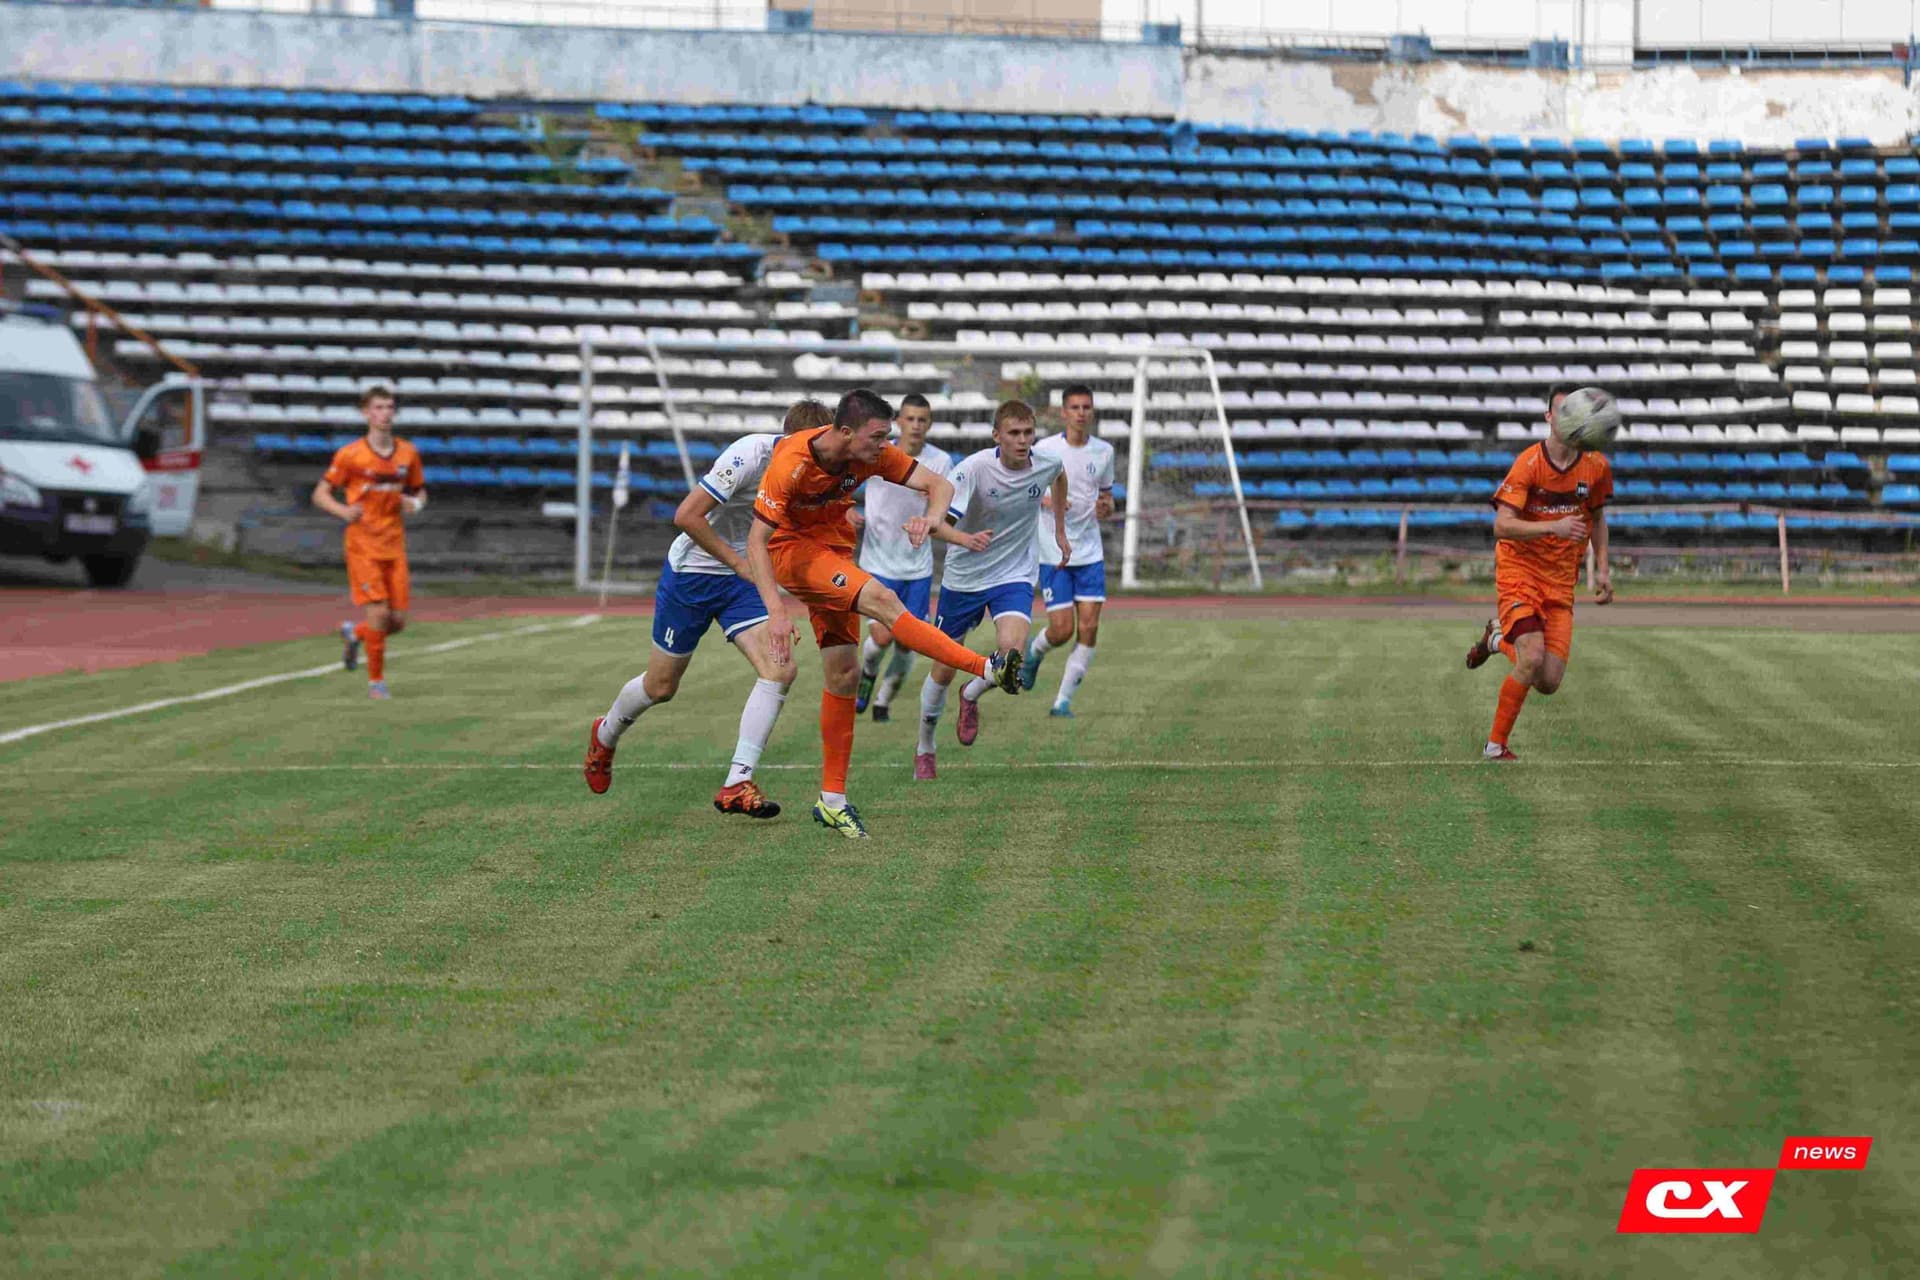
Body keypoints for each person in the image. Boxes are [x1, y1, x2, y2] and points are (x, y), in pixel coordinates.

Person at [746, 388, 1020, 839]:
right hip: (794, 554)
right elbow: (756, 541)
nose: (884, 444)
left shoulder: (871, 454)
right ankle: (987, 667)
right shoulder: (791, 461)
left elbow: (940, 485)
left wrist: (932, 519)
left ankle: (832, 801)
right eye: (878, 436)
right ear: (846, 431)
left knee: (844, 674)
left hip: (835, 551)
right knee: (884, 603)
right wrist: (776, 611)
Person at [581, 400, 831, 817]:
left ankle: (737, 782)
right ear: (795, 440)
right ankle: (605, 735)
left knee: (781, 668)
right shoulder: (750, 454)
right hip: (693, 574)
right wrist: (739, 564)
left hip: (742, 580)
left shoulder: (815, 474)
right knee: (661, 687)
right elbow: (687, 515)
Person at [915, 399, 1069, 781]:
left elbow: (1059, 477)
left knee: (1012, 657)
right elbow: (940, 523)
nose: (1022, 441)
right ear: (997, 435)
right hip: (964, 578)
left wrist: (1060, 530)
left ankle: (972, 694)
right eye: (1014, 434)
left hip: (1014, 574)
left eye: (1028, 433)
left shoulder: (1046, 463)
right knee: (942, 668)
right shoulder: (974, 469)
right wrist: (964, 539)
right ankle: (925, 747)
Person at [1465, 387, 1615, 760]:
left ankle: (1498, 640)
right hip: (1520, 571)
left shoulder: (1595, 467)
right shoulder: (1529, 463)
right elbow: (1502, 526)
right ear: (1549, 417)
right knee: (1531, 657)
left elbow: (1597, 518)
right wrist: (1553, 528)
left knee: (1547, 681)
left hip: (1561, 582)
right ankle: (1495, 747)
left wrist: (1604, 570)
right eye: (1562, 410)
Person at [312, 385, 426, 700]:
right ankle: (376, 682)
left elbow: (419, 491)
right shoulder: (350, 454)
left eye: (389, 407)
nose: (384, 413)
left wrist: (415, 505)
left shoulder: (408, 453)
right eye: (378, 407)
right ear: (366, 413)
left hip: (394, 544)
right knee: (378, 612)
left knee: (397, 621)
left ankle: (355, 633)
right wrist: (342, 510)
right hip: (363, 544)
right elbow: (320, 494)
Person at [853, 394, 952, 722]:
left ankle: (883, 700)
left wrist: (932, 512)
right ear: (899, 421)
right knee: (881, 636)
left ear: (930, 423)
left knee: (909, 642)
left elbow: (944, 503)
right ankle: (868, 673)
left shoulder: (939, 462)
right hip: (878, 562)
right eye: (910, 419)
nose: (916, 425)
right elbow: (844, 486)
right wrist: (846, 512)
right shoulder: (878, 452)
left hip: (916, 565)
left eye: (922, 420)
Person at [1021, 384, 1115, 717]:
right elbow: (1024, 491)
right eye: (1074, 407)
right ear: (1063, 413)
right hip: (1052, 550)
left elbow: (1106, 496)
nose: (1080, 413)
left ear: (1092, 411)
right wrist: (1048, 499)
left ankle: (1062, 702)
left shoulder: (1104, 451)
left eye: (1086, 407)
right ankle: (1034, 653)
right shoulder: (1044, 449)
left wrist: (1107, 507)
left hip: (1089, 551)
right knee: (1062, 629)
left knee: (1089, 628)